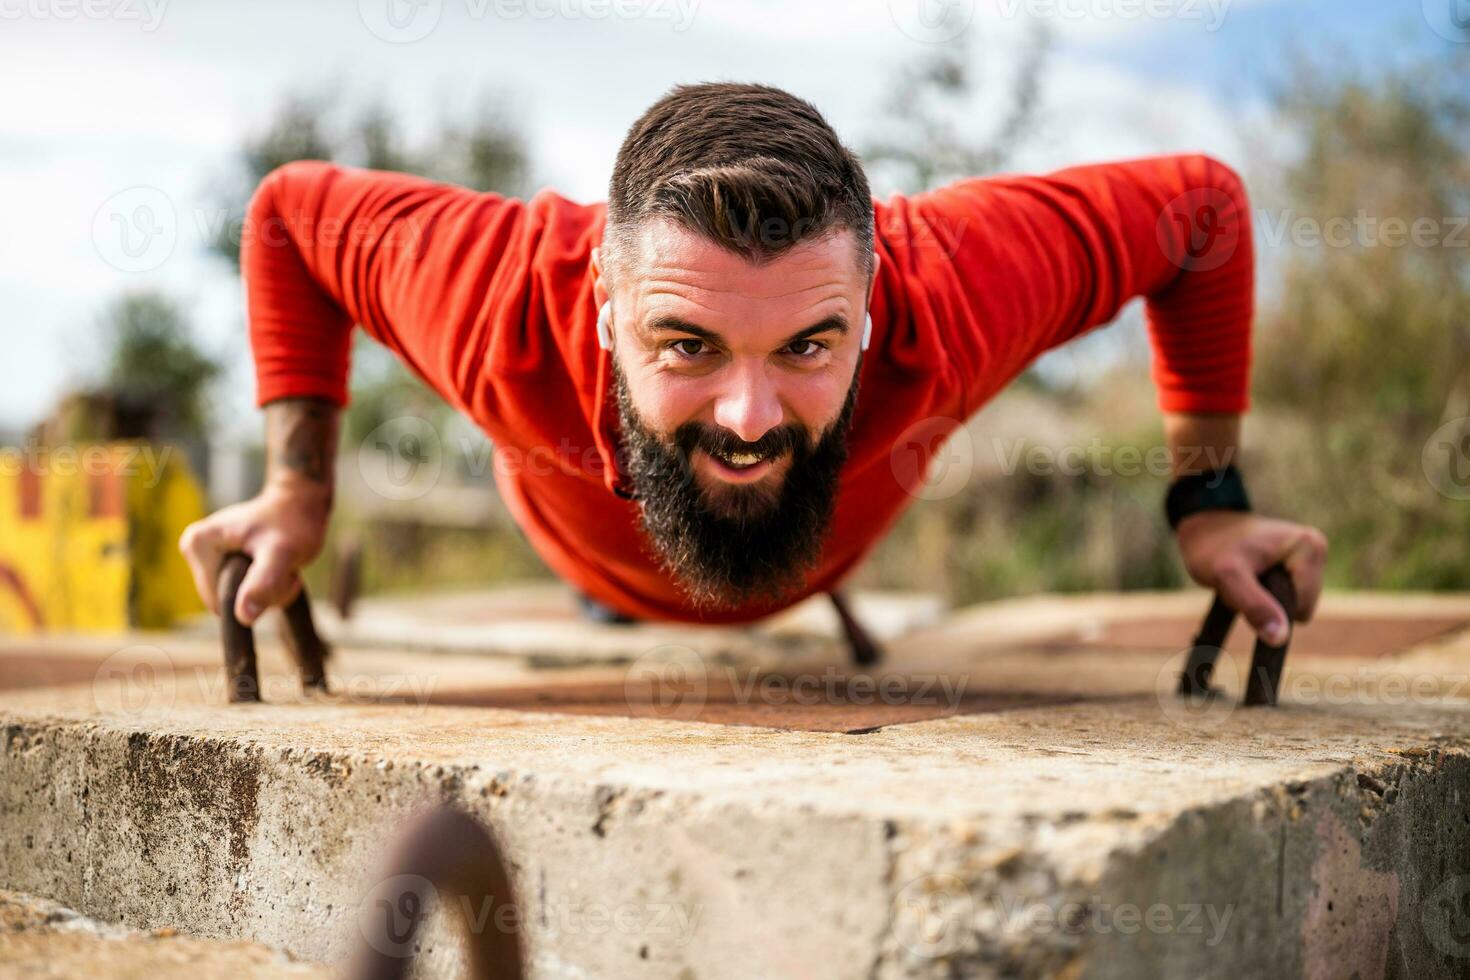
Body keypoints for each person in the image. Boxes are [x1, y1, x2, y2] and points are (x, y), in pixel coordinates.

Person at [179, 81, 1327, 661]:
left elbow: (1204, 211)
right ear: (602, 301)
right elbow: (287, 218)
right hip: (598, 564)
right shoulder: (492, 297)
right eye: (686, 345)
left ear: (873, 307)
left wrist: (1209, 502)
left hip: (821, 558)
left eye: (809, 346)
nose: (748, 413)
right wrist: (300, 489)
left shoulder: (958, 291)